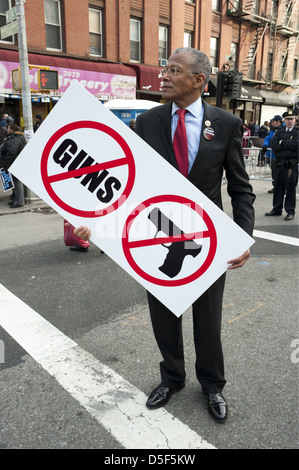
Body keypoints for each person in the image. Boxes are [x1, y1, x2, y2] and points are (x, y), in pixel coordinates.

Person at [135, 47, 255, 422]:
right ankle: (171, 378)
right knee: (164, 312)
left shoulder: (227, 124)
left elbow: (240, 187)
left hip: (208, 239)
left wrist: (244, 236)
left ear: (198, 80)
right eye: (164, 68)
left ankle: (213, 386)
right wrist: (97, 221)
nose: (163, 76)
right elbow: (131, 184)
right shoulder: (147, 121)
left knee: (208, 318)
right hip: (158, 235)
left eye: (173, 70)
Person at [265, 110, 298, 221]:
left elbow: (296, 147)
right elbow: (274, 145)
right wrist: (286, 146)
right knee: (278, 187)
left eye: (291, 119)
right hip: (279, 164)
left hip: (291, 166)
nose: (289, 121)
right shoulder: (279, 131)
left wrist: (282, 143)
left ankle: (290, 211)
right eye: (288, 119)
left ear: (295, 120)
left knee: (290, 189)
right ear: (284, 120)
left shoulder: (297, 132)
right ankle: (277, 209)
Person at [0, 123, 27, 208]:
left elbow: (11, 153)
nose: (7, 130)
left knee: (16, 182)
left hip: (13, 163)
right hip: (17, 163)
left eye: (8, 128)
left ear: (12, 130)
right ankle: (18, 200)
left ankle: (19, 202)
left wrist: (6, 165)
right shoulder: (18, 137)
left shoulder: (14, 139)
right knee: (15, 182)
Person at [260, 116, 283, 190]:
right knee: (274, 172)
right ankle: (275, 186)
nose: (271, 123)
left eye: (273, 121)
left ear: (278, 121)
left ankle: (283, 187)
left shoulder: (284, 129)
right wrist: (265, 145)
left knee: (281, 173)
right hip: (272, 156)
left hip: (280, 155)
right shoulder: (273, 130)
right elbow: (268, 138)